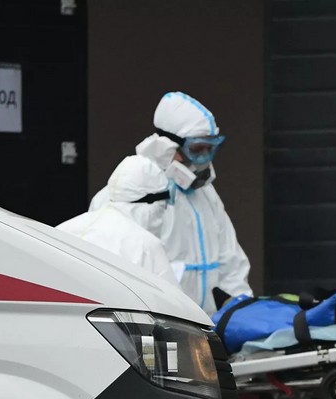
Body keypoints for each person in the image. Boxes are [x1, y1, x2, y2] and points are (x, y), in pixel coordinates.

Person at [91, 91, 252, 314]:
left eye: (210, 149)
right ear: (166, 147)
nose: (204, 159)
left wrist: (239, 312)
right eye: (197, 150)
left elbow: (231, 262)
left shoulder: (206, 195)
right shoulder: (131, 195)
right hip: (163, 321)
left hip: (208, 323)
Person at [58, 156, 179, 286]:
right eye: (163, 206)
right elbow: (172, 297)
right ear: (151, 203)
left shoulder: (62, 231)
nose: (163, 211)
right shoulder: (146, 246)